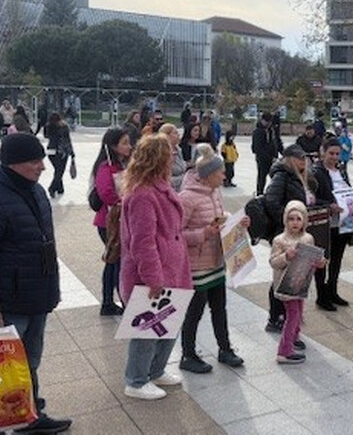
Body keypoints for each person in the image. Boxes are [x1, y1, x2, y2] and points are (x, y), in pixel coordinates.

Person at [0, 132, 72, 432]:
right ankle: (4, 419)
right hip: (9, 303)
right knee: (4, 365)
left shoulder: (35, 190)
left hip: (38, 295)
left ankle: (27, 406)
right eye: (35, 161)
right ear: (13, 164)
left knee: (29, 360)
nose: (43, 166)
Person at [118, 134, 193, 400]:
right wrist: (153, 278)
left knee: (169, 323)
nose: (174, 157)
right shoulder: (142, 195)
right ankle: (136, 380)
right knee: (146, 331)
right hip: (153, 273)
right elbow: (142, 243)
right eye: (170, 154)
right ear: (157, 159)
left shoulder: (160, 187)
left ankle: (156, 370)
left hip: (174, 267)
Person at [178, 146, 248, 374]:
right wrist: (202, 234)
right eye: (220, 172)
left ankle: (225, 349)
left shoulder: (214, 192)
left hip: (217, 260)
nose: (224, 175)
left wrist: (234, 222)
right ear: (208, 175)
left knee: (220, 308)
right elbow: (175, 233)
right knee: (195, 311)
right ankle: (187, 354)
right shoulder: (187, 198)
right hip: (197, 266)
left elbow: (219, 217)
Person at [262, 144, 315, 333]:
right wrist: (288, 221)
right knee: (280, 277)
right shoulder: (282, 175)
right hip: (284, 235)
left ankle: (289, 316)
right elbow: (271, 201)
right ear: (291, 159)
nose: (304, 161)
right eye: (300, 158)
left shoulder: (299, 176)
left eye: (305, 158)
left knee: (292, 276)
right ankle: (275, 317)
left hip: (297, 233)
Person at [270, 201, 324, 364]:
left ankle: (294, 337)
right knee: (292, 314)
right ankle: (284, 351)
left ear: (304, 221)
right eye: (291, 218)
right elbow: (273, 262)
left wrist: (319, 262)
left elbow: (311, 259)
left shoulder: (308, 238)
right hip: (285, 285)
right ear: (285, 220)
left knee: (299, 312)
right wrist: (287, 256)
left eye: (298, 219)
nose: (295, 222)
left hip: (301, 283)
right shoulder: (280, 240)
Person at [311, 138, 353, 309]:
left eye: (337, 154)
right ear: (323, 152)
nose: (334, 157)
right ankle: (321, 295)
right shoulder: (316, 172)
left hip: (343, 223)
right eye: (331, 153)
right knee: (323, 259)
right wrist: (328, 205)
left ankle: (332, 290)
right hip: (325, 224)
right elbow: (310, 199)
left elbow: (348, 190)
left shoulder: (341, 171)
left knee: (337, 259)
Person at [92, 128, 131, 316]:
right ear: (113, 146)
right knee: (117, 262)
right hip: (109, 223)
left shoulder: (124, 165)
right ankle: (120, 301)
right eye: (124, 143)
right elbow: (106, 193)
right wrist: (127, 203)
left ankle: (109, 302)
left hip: (122, 221)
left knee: (113, 261)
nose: (129, 146)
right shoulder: (105, 167)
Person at [42, 113, 74, 199]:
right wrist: (72, 152)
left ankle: (60, 188)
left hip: (51, 150)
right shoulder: (64, 126)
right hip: (62, 151)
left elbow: (46, 136)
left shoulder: (48, 126)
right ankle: (52, 188)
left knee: (57, 169)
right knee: (60, 170)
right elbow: (67, 140)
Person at [252, 113, 278, 196]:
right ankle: (260, 193)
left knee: (275, 176)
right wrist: (268, 157)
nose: (269, 124)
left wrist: (276, 155)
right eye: (267, 122)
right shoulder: (258, 132)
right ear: (262, 120)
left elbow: (275, 143)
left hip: (272, 158)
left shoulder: (271, 130)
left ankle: (274, 192)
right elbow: (257, 148)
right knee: (262, 177)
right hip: (262, 159)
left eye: (270, 122)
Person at [158, 123, 187, 192]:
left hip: (182, 189)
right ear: (166, 136)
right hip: (171, 190)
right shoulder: (162, 154)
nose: (178, 135)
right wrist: (184, 179)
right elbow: (164, 180)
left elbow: (183, 168)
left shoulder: (178, 149)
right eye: (175, 133)